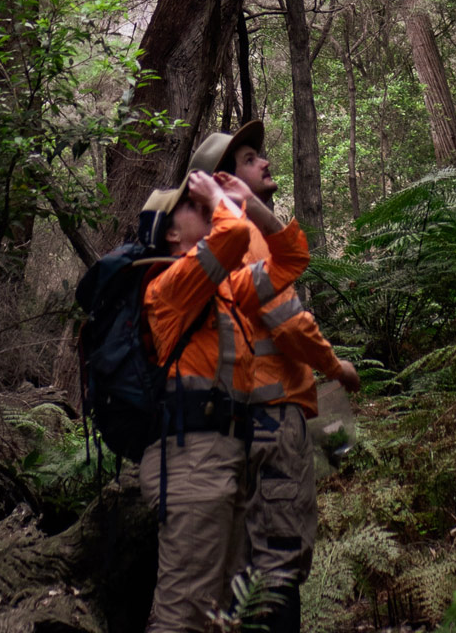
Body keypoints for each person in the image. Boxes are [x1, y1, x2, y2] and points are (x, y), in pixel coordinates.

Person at [188, 122, 361, 633]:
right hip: (269, 421)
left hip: (228, 425)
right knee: (279, 562)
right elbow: (288, 320)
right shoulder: (243, 238)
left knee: (245, 564)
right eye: (249, 158)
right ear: (224, 178)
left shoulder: (214, 244)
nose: (264, 162)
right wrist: (336, 368)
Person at [136, 169, 312, 633]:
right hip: (191, 461)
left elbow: (291, 259)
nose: (207, 207)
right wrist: (221, 197)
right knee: (185, 613)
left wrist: (251, 204)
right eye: (194, 206)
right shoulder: (169, 287)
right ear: (171, 233)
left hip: (227, 458)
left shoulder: (224, 291)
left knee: (226, 616)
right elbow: (232, 234)